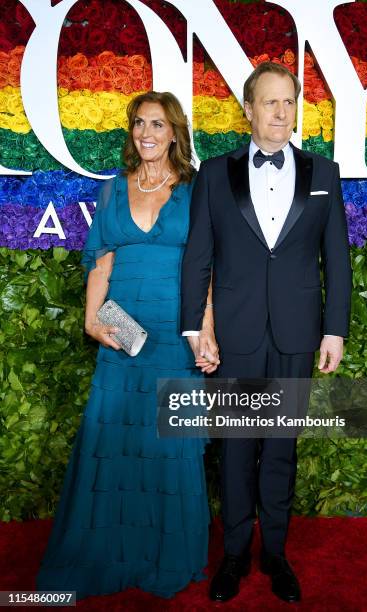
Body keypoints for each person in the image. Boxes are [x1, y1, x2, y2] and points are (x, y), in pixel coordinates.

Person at [36, 91, 219, 600]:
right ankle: (104, 554)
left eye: (157, 124)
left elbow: (203, 270)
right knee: (114, 442)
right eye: (139, 123)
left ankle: (166, 555)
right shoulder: (114, 190)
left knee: (169, 447)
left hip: (174, 331)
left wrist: (206, 329)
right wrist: (92, 319)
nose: (147, 133)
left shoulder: (195, 190)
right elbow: (101, 262)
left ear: (175, 133)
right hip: (122, 334)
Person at [181, 62, 352, 603]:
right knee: (235, 449)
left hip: (298, 334)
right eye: (271, 102)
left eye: (289, 102)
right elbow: (198, 257)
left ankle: (275, 553)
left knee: (281, 448)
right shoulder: (214, 172)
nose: (282, 113)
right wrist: (194, 327)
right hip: (235, 333)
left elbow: (337, 261)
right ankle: (233, 556)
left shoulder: (324, 172)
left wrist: (335, 331)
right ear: (248, 110)